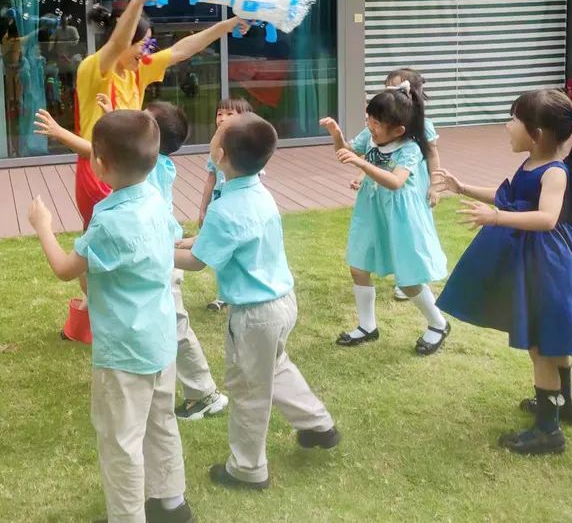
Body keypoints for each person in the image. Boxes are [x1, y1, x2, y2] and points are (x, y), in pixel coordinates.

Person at [434, 91, 572, 455]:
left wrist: (497, 218)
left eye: (513, 119)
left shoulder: (555, 172)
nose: (507, 126)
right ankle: (564, 404)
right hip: (533, 259)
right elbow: (510, 196)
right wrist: (462, 187)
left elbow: (546, 218)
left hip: (547, 264)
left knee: (541, 345)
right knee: (551, 338)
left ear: (538, 133)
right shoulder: (532, 163)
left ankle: (548, 430)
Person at [28, 110, 195, 523]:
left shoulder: (109, 220)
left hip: (123, 350)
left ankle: (127, 516)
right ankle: (171, 501)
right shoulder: (156, 199)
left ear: (98, 163)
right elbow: (172, 241)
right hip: (160, 340)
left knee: (121, 440)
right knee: (161, 421)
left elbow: (67, 269)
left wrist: (42, 226)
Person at [61, 0, 249, 341]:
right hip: (99, 168)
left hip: (131, 167)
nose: (146, 53)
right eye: (141, 46)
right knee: (102, 240)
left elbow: (182, 50)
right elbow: (117, 44)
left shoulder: (138, 70)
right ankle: (104, 309)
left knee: (123, 238)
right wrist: (137, 0)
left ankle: (105, 308)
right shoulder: (93, 71)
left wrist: (225, 25)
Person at [34, 101, 228, 421]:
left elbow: (65, 269)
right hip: (156, 259)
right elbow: (123, 153)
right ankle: (195, 389)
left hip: (153, 281)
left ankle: (204, 391)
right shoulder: (160, 167)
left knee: (176, 328)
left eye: (143, 121)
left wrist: (59, 133)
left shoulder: (129, 199)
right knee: (170, 327)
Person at [175, 113, 339, 490]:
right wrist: (180, 242)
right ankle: (317, 425)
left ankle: (247, 470)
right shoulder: (257, 193)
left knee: (248, 388)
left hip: (254, 316)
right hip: (282, 303)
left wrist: (155, 252)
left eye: (216, 138)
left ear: (221, 156)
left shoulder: (225, 208)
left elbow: (198, 261)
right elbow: (216, 244)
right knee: (275, 366)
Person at [319, 82, 451, 355]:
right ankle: (368, 325)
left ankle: (438, 323)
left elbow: (395, 182)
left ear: (399, 129)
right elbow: (347, 152)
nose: (370, 126)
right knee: (358, 265)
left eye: (376, 122)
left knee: (409, 277)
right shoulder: (370, 137)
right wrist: (337, 135)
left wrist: (363, 164)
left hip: (401, 216)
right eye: (369, 119)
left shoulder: (410, 149)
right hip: (371, 210)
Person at [347, 69, 445, 301]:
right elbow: (375, 156)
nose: (390, 93)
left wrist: (435, 185)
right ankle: (400, 271)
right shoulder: (380, 130)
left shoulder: (420, 127)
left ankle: (412, 276)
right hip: (385, 180)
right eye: (387, 89)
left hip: (409, 180)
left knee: (411, 227)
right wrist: (362, 175)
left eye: (396, 89)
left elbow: (432, 155)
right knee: (386, 227)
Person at [197, 97, 255, 312]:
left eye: (230, 114)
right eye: (220, 113)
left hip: (238, 208)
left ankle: (240, 289)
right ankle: (225, 293)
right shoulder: (216, 148)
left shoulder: (246, 149)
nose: (223, 118)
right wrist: (203, 208)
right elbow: (211, 178)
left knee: (238, 250)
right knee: (222, 252)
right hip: (219, 205)